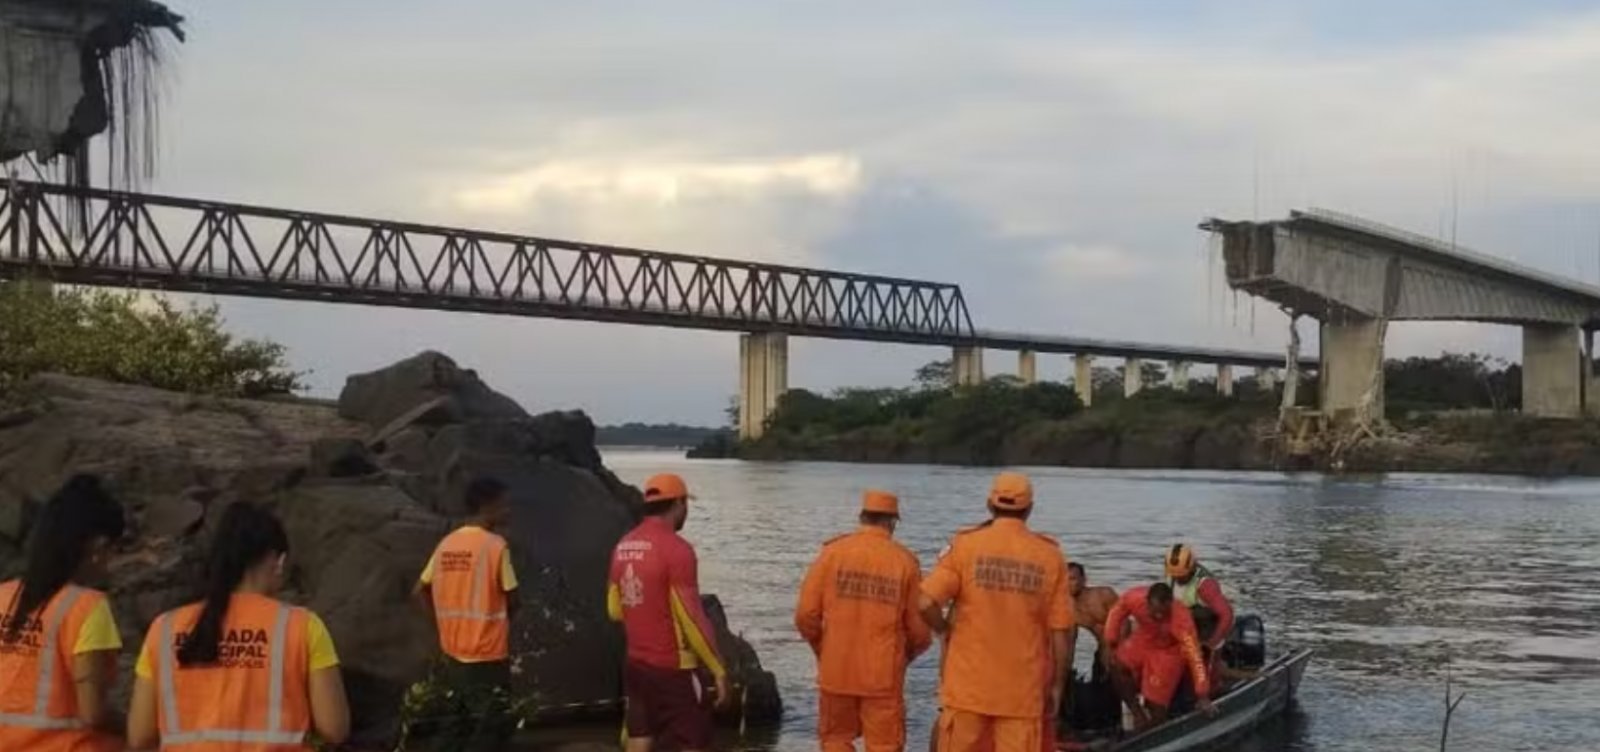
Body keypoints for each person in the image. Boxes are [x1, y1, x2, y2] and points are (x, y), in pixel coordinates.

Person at [127, 502, 350, 750]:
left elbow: (139, 735)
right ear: (278, 562)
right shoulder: (302, 627)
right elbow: (334, 728)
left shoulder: (164, 629)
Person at [918, 472, 1074, 752]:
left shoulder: (966, 545)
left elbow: (924, 602)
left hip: (968, 689)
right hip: (1021, 695)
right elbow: (1061, 634)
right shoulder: (1050, 556)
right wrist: (1057, 686)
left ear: (990, 505)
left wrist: (943, 630)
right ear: (1029, 509)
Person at [795, 490, 932, 752]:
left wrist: (822, 648)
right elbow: (920, 632)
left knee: (835, 740)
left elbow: (805, 615)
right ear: (892, 522)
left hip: (836, 668)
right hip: (882, 675)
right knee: (884, 745)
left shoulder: (832, 554)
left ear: (862, 517)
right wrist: (904, 658)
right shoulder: (905, 562)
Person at [0, 474, 127, 752]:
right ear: (98, 547)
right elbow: (93, 714)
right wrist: (141, 728)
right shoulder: (87, 607)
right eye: (114, 551)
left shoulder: (3, 597)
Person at [607, 473, 729, 752]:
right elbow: (691, 617)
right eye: (686, 504)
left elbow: (614, 609)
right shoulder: (677, 549)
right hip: (674, 667)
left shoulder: (624, 544)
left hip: (636, 663)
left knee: (640, 734)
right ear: (679, 503)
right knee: (693, 740)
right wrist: (718, 670)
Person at [413, 476, 521, 752]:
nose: (508, 511)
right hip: (487, 653)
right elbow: (513, 597)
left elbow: (419, 590)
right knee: (491, 727)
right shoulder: (496, 546)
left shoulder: (446, 544)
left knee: (456, 722)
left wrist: (440, 627)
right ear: (489, 506)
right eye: (504, 505)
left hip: (453, 649)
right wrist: (507, 618)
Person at [1102, 583, 1212, 731]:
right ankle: (1137, 713)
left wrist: (1202, 693)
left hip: (1169, 650)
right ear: (1147, 602)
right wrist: (1111, 640)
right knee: (1116, 663)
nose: (1157, 616)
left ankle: (1155, 728)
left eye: (1162, 613)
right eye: (1153, 612)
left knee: (1155, 704)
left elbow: (1195, 656)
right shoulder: (1134, 598)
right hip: (1145, 639)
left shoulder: (1182, 620)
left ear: (1169, 604)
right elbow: (1117, 611)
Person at [1060, 562, 1120, 735]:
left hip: (1122, 643)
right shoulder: (1069, 609)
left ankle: (1120, 723)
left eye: (1073, 579)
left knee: (1113, 669)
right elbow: (1070, 642)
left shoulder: (1103, 594)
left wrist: (1112, 649)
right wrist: (1064, 668)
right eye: (1065, 580)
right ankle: (1104, 725)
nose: (1069, 584)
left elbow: (1123, 623)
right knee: (1094, 683)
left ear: (1083, 580)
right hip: (1101, 649)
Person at [1163, 545, 1233, 662]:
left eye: (1181, 575)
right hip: (1183, 628)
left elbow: (1227, 615)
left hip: (1205, 630)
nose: (1177, 578)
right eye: (1174, 575)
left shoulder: (1206, 586)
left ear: (1191, 568)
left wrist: (1211, 643)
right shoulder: (1171, 574)